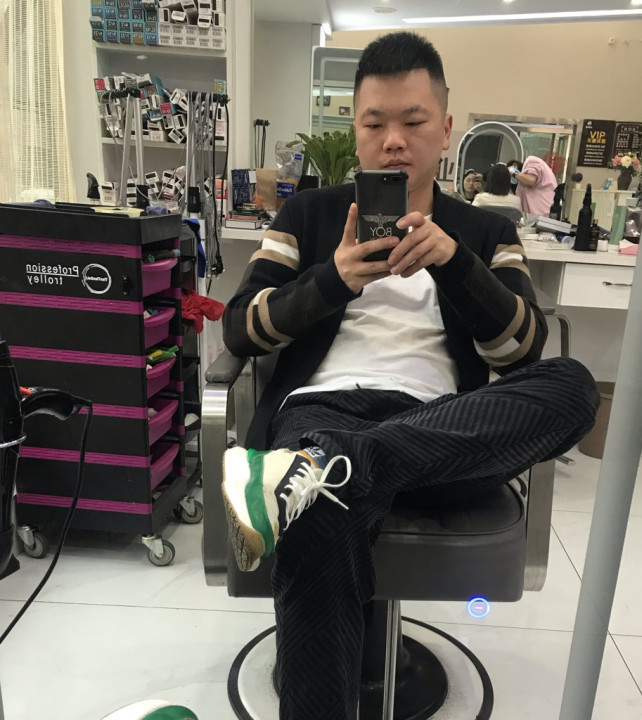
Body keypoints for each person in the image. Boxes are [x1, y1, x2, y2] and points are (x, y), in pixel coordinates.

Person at [222, 31, 598, 720]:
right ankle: (330, 464)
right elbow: (240, 328)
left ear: (446, 129)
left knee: (572, 385)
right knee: (320, 502)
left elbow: (521, 352)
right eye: (374, 124)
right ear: (355, 131)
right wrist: (332, 280)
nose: (393, 141)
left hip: (442, 430)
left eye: (414, 122)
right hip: (322, 409)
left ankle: (337, 464)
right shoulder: (307, 215)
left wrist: (454, 264)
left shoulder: (486, 232)